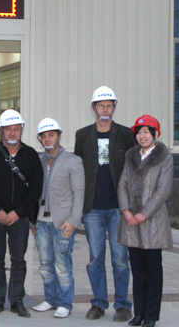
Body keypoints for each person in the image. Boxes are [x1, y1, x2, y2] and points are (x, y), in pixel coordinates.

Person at [74, 86, 136, 322]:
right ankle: (98, 303)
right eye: (101, 106)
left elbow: (133, 170)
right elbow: (78, 171)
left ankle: (122, 305)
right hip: (93, 208)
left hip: (119, 207)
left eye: (109, 106)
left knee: (120, 259)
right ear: (93, 108)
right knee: (95, 259)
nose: (105, 110)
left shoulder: (125, 134)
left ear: (114, 108)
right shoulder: (83, 136)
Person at [0, 109, 43, 318]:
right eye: (8, 129)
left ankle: (17, 301)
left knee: (18, 260)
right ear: (1, 131)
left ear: (22, 129)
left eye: (16, 129)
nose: (12, 133)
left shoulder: (31, 155)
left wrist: (19, 213)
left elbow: (36, 189)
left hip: (20, 218)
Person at [118, 115, 173, 327]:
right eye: (139, 133)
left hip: (152, 222)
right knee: (138, 271)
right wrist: (126, 211)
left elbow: (163, 190)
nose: (142, 136)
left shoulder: (164, 157)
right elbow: (123, 184)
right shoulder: (131, 155)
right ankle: (138, 313)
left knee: (153, 271)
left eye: (146, 132)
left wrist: (144, 213)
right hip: (131, 221)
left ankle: (151, 316)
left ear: (155, 134)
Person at [31, 118, 84, 319]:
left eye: (51, 135)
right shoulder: (39, 161)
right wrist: (32, 221)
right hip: (41, 221)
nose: (47, 139)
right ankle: (50, 299)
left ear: (59, 136)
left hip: (63, 222)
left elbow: (79, 193)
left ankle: (64, 302)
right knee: (45, 264)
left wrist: (74, 221)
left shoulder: (73, 161)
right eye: (44, 136)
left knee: (62, 265)